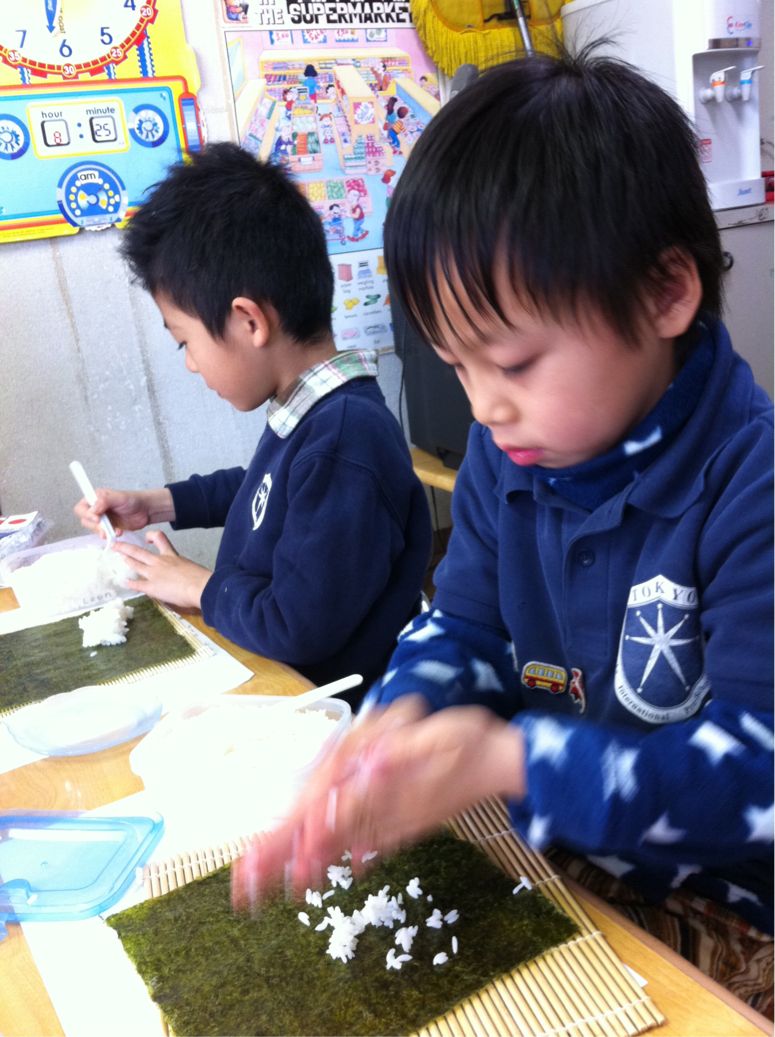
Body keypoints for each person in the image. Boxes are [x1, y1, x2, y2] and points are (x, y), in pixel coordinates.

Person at [231, 48, 774, 1014]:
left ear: (664, 293)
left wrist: (509, 760)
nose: (484, 407)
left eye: (514, 364)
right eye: (457, 365)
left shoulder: (749, 480)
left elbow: (754, 776)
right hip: (565, 861)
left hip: (732, 915)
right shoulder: (508, 453)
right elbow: (466, 625)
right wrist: (399, 717)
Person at [75, 143, 431, 698]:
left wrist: (201, 588)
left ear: (249, 321)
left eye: (185, 342)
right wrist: (158, 504)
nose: (191, 364)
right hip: (279, 680)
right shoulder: (312, 413)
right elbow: (266, 491)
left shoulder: (345, 439)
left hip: (331, 712)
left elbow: (297, 627)